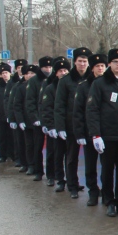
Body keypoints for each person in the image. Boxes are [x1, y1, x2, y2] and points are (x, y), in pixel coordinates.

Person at [87, 48, 118, 217]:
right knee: (107, 170)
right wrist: (96, 134)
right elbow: (92, 109)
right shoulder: (100, 83)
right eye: (115, 62)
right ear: (110, 64)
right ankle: (109, 201)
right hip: (107, 135)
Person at [55, 48, 92, 198]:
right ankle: (72, 185)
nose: (82, 64)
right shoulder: (66, 81)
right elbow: (59, 105)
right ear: (75, 62)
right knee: (71, 157)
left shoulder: (93, 79)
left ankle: (93, 187)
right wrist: (60, 127)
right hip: (71, 124)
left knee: (91, 159)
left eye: (85, 61)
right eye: (80, 61)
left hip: (89, 124)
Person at [73, 54, 107, 206]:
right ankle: (93, 191)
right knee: (90, 165)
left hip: (107, 132)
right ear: (92, 68)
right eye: (97, 66)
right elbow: (78, 111)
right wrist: (79, 133)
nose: (100, 68)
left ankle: (106, 193)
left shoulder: (109, 84)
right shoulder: (84, 86)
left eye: (102, 66)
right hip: (89, 132)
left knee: (107, 166)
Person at [40, 57, 70, 189]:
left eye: (65, 70)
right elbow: (46, 108)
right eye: (60, 71)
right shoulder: (50, 88)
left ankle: (70, 179)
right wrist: (50, 126)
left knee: (70, 156)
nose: (63, 73)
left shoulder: (72, 85)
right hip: (55, 126)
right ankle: (55, 177)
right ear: (56, 73)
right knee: (55, 154)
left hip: (69, 125)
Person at [24, 58, 52, 180]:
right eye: (46, 67)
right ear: (41, 68)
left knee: (52, 149)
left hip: (50, 119)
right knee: (37, 146)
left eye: (50, 67)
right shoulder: (34, 81)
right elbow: (30, 101)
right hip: (38, 120)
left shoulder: (53, 79)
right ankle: (37, 170)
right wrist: (35, 118)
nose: (48, 69)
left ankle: (52, 173)